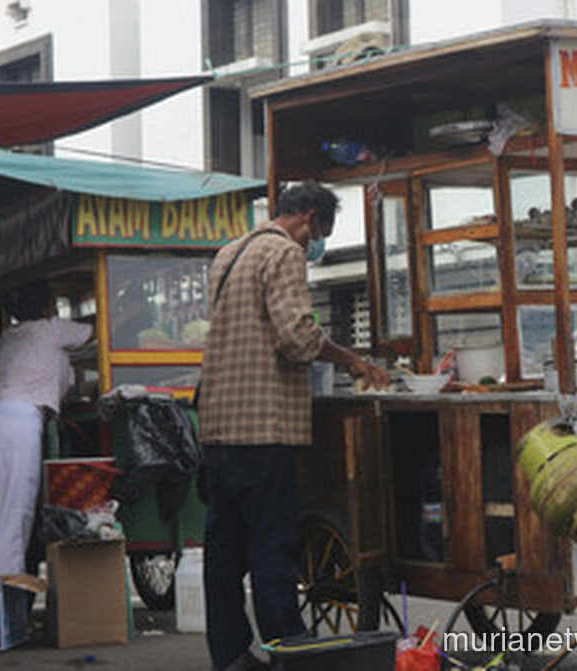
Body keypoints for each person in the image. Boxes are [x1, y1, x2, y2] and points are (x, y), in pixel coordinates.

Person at [198, 181, 390, 671]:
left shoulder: (228, 253)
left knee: (224, 554)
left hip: (219, 428)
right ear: (306, 217)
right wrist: (351, 360)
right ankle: (291, 651)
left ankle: (231, 655)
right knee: (272, 546)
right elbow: (297, 338)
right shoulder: (283, 253)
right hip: (263, 428)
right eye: (318, 233)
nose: (313, 244)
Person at [0, 282, 92, 577]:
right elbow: (96, 330)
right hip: (17, 423)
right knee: (15, 516)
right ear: (47, 308)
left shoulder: (11, 335)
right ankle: (8, 608)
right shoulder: (52, 329)